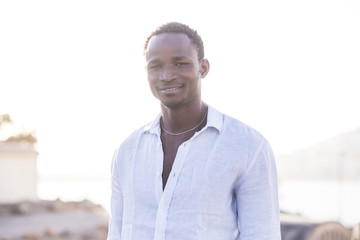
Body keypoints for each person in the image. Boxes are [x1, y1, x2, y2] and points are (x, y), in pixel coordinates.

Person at [107, 22, 281, 240]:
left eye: (180, 64)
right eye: (156, 66)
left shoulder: (248, 146)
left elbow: (262, 234)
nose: (167, 75)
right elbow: (116, 233)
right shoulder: (126, 151)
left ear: (203, 67)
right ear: (146, 72)